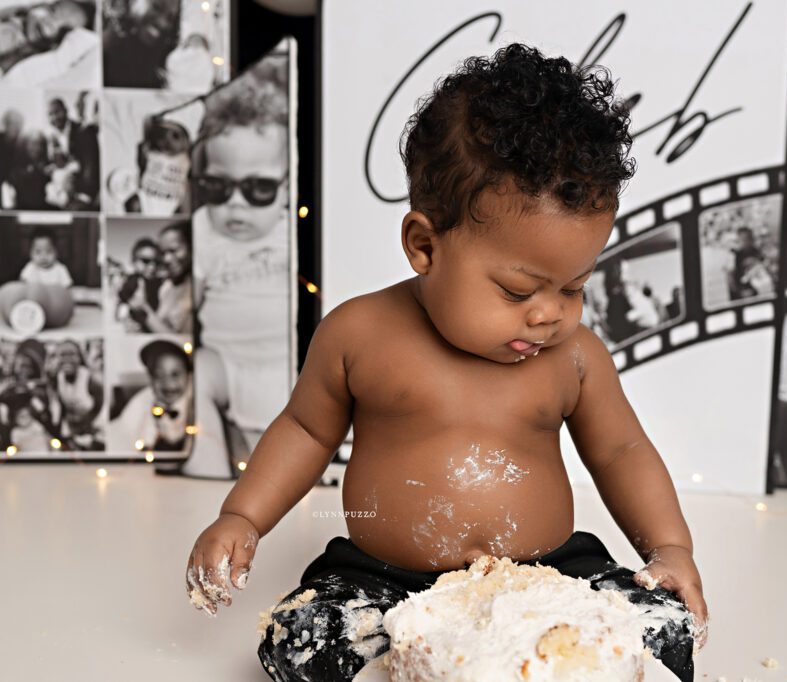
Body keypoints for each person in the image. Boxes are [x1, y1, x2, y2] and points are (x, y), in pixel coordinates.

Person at [184, 45, 705, 682]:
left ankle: (540, 659)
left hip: (546, 577)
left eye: (574, 287)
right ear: (424, 246)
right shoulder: (359, 334)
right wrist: (242, 517)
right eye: (518, 291)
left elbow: (622, 451)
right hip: (384, 581)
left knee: (662, 627)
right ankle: (416, 661)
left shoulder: (575, 358)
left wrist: (669, 547)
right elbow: (305, 430)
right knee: (301, 637)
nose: (549, 314)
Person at [183, 55, 291, 477]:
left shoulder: (290, 231)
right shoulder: (203, 231)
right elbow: (187, 306)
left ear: (287, 185)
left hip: (292, 368)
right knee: (195, 369)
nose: (235, 204)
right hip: (225, 366)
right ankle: (207, 465)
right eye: (218, 187)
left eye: (258, 188)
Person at [109, 339, 192, 452]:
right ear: (151, 380)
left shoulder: (194, 405)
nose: (168, 382)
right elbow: (123, 431)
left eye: (175, 374)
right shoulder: (142, 404)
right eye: (159, 375)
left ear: (188, 376)